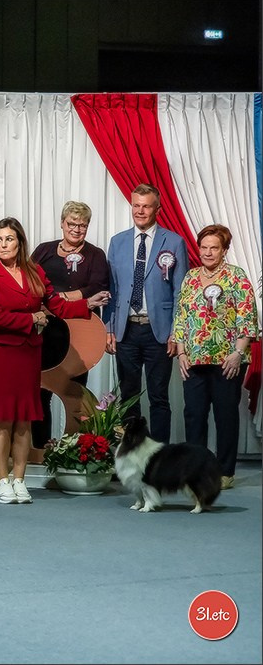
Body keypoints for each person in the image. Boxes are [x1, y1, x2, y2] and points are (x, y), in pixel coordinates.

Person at [0, 218, 110, 505]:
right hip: (1, 352)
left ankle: (20, 480)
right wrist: (31, 319)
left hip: (28, 353)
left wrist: (86, 304)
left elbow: (55, 304)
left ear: (19, 241)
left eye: (8, 239)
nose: (3, 245)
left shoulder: (34, 271)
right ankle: (2, 481)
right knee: (3, 420)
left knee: (24, 418)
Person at [172, 224, 258, 490]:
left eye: (214, 248)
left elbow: (247, 317)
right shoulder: (190, 277)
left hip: (227, 360)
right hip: (194, 359)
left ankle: (224, 471)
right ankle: (196, 469)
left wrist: (238, 352)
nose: (208, 253)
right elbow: (182, 316)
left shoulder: (237, 277)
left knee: (225, 415)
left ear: (224, 250)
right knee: (194, 415)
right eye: (204, 247)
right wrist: (181, 352)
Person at [105, 183, 188, 443]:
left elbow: (180, 293)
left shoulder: (174, 242)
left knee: (158, 397)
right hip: (126, 330)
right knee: (128, 397)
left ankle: (160, 457)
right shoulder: (117, 242)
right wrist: (108, 329)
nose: (140, 211)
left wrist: (176, 332)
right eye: (136, 205)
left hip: (159, 331)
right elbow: (111, 289)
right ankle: (132, 455)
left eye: (146, 206)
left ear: (157, 209)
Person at [30, 201, 110, 448]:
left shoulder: (95, 255)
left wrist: (57, 299)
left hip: (80, 334)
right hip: (45, 331)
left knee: (75, 392)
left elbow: (97, 288)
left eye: (82, 225)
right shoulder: (44, 250)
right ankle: (41, 447)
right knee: (40, 390)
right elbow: (31, 283)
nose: (76, 229)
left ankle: (76, 449)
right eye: (72, 224)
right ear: (62, 223)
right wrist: (71, 298)